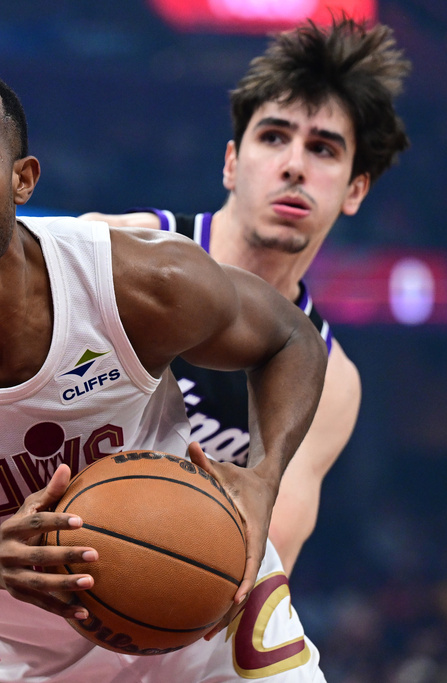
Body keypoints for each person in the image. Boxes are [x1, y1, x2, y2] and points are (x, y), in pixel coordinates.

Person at [0, 58, 329, 681]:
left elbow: (291, 337)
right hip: (22, 660)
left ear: (23, 180)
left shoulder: (136, 284)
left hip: (206, 611)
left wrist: (262, 478)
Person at [82, 18, 411, 576]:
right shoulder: (116, 249)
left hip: (142, 612)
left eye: (324, 149)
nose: (294, 165)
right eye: (274, 137)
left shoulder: (331, 382)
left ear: (356, 189)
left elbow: (261, 562)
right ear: (232, 162)